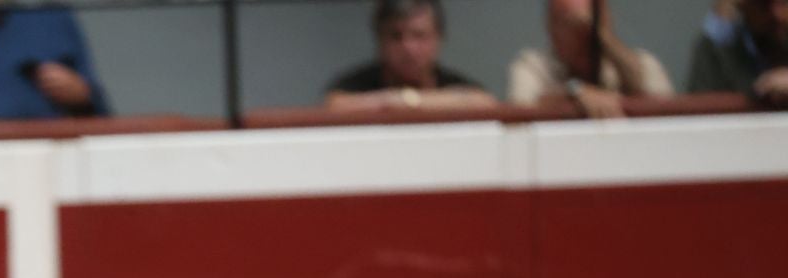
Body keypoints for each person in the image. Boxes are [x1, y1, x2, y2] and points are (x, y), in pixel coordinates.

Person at [508, 0, 673, 116]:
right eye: (571, 25)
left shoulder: (642, 62)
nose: (583, 35)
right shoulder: (532, 65)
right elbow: (520, 112)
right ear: (551, 28)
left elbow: (663, 104)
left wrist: (603, 37)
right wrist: (574, 92)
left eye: (590, 23)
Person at [325, 0, 497, 111]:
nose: (408, 47)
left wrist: (407, 101)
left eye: (419, 35)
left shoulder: (454, 83)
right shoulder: (356, 83)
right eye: (396, 36)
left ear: (439, 38)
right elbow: (334, 106)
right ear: (379, 40)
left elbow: (485, 103)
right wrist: (394, 100)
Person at [688, 0, 788, 103]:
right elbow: (701, 106)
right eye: (764, 5)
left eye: (784, 2)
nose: (778, 14)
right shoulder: (717, 47)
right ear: (744, 8)